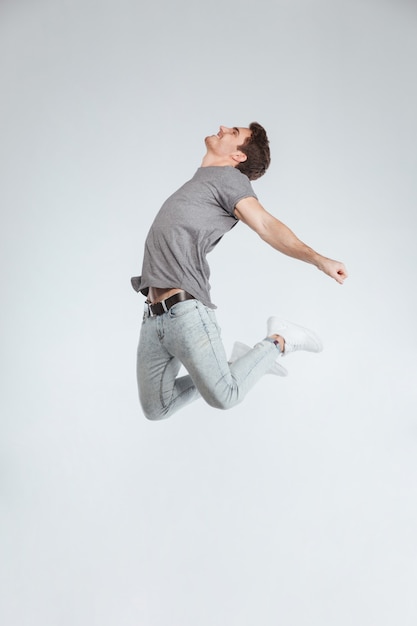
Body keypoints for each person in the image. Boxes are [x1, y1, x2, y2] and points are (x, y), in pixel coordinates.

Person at [131, 122, 348, 420]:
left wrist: (319, 259)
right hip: (153, 318)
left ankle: (278, 341)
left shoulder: (229, 180)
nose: (222, 127)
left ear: (239, 157)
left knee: (226, 395)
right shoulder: (202, 181)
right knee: (157, 407)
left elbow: (267, 226)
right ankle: (234, 363)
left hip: (186, 312)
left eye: (233, 132)